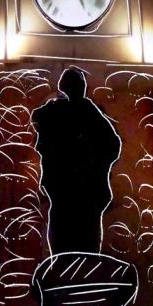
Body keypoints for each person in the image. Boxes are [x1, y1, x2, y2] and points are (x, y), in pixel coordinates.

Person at [32, 68, 121, 254]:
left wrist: (94, 165)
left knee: (76, 234)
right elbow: (112, 144)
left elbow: (113, 145)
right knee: (68, 232)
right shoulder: (68, 110)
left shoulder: (81, 111)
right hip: (69, 188)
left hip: (80, 189)